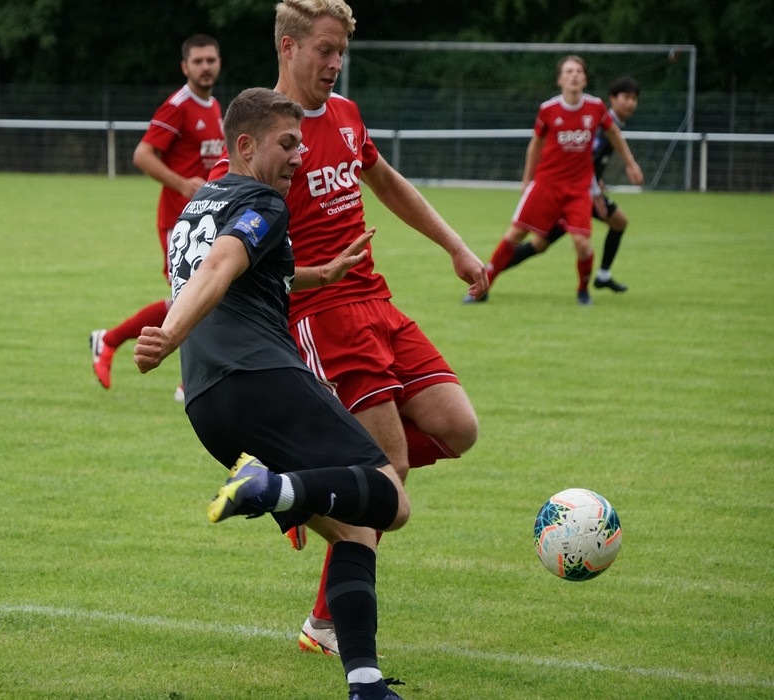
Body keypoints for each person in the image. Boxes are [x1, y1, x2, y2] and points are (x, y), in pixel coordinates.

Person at [210, 0, 488, 657]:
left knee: (457, 427)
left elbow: (386, 181)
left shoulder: (346, 115)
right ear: (288, 47)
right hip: (321, 315)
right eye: (324, 50)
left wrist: (455, 246)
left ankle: (309, 485)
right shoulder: (263, 139)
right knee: (390, 469)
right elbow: (224, 245)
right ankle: (326, 622)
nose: (336, 63)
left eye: (341, 52)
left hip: (377, 302)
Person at [134, 86, 411, 700]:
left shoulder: (199, 204)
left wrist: (323, 273)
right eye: (287, 144)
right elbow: (221, 267)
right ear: (245, 145)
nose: (298, 157)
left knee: (353, 530)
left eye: (301, 146)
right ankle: (271, 487)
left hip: (207, 405)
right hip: (259, 377)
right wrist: (170, 334)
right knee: (391, 497)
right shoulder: (263, 201)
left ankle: (365, 683)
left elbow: (246, 272)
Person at [90, 34, 225, 401]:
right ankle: (189, 379)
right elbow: (143, 154)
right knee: (194, 297)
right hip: (179, 223)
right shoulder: (178, 106)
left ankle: (110, 340)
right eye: (198, 61)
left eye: (211, 60)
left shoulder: (214, 106)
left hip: (208, 220)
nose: (205, 67)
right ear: (185, 67)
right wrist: (182, 184)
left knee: (204, 295)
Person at [464, 57, 643, 305]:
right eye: (569, 71)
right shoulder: (548, 109)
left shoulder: (596, 107)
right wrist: (527, 179)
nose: (574, 75)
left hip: (578, 189)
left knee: (581, 243)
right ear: (560, 80)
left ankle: (583, 292)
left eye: (579, 71)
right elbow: (536, 144)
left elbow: (613, 131)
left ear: (585, 79)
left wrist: (630, 162)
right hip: (547, 185)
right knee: (516, 234)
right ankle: (484, 287)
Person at [499, 76, 642, 293]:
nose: (631, 103)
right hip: (576, 193)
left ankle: (603, 276)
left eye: (634, 99)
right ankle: (486, 272)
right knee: (539, 244)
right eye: (626, 98)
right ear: (613, 99)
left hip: (581, 190)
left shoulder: (606, 125)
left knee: (617, 222)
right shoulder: (602, 127)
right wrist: (595, 191)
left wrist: (597, 179)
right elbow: (584, 158)